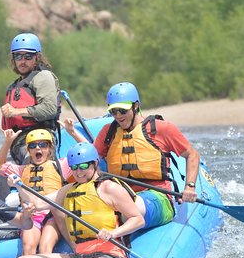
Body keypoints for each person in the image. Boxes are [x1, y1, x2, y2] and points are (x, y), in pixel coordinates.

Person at [63, 82, 199, 229]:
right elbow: (91, 158)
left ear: (135, 106)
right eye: (113, 111)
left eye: (122, 110)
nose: (118, 116)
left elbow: (192, 155)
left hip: (157, 197)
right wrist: (72, 132)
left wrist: (190, 187)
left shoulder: (161, 128)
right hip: (120, 193)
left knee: (130, 210)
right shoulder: (108, 131)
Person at [9, 143, 145, 258]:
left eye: (83, 167)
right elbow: (38, 203)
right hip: (80, 256)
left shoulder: (109, 187)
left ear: (95, 163)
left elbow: (138, 220)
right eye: (74, 168)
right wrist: (19, 186)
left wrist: (113, 232)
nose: (78, 172)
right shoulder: (68, 189)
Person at [0, 128, 72, 256]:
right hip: (32, 215)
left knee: (45, 248)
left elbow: (86, 161)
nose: (38, 149)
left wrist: (72, 132)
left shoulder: (61, 165)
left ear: (49, 148)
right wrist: (8, 142)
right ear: (29, 150)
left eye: (43, 145)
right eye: (33, 146)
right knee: (28, 248)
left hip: (53, 215)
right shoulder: (21, 170)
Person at [1, 32, 61, 164]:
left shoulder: (43, 77)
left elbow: (50, 109)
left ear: (37, 57)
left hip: (40, 138)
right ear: (13, 59)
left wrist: (16, 112)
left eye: (28, 56)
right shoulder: (13, 86)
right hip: (18, 142)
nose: (22, 61)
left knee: (32, 159)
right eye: (18, 56)